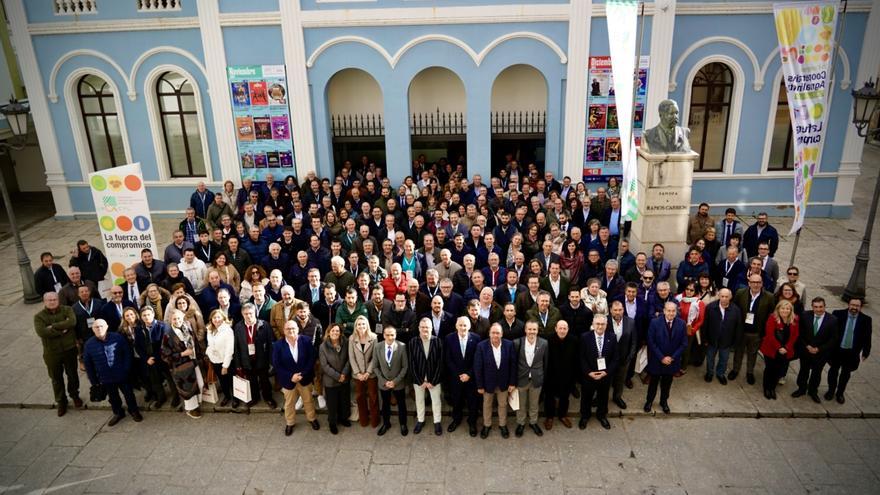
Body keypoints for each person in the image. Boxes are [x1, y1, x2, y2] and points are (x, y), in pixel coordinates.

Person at [83, 319, 143, 426]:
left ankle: (134, 411)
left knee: (129, 394)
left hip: (121, 374)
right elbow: (88, 365)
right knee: (113, 397)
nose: (99, 329)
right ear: (93, 329)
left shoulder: (117, 338)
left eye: (101, 326)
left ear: (107, 327)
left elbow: (127, 354)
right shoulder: (89, 344)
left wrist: (126, 369)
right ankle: (118, 413)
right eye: (96, 327)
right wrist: (94, 381)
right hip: (105, 377)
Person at [34, 292, 82, 417]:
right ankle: (61, 401)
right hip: (52, 353)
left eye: (54, 299)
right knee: (56, 378)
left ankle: (74, 395)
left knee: (72, 374)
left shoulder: (67, 309)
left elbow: (72, 322)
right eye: (49, 300)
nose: (52, 301)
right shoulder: (39, 317)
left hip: (69, 349)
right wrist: (62, 330)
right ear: (44, 302)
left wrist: (53, 326)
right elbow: (43, 332)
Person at [272, 320, 320, 436]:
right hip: (288, 381)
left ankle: (312, 418)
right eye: (288, 329)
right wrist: (290, 376)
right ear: (284, 331)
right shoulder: (278, 345)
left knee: (308, 400)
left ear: (297, 329)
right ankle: (290, 422)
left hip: (305, 378)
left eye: (293, 328)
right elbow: (276, 364)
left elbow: (311, 359)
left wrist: (302, 374)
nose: (291, 331)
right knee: (289, 403)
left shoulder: (306, 341)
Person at [731, 274, 775, 385]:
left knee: (753, 353)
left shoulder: (769, 297)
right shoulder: (740, 293)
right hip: (742, 331)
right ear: (749, 283)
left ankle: (750, 372)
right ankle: (735, 369)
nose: (756, 284)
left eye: (758, 282)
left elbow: (771, 315)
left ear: (762, 284)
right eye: (753, 282)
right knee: (738, 352)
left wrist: (764, 333)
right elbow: (734, 310)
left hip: (756, 332)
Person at [161, 308, 206, 419]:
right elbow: (165, 356)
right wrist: (182, 354)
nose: (177, 321)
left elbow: (194, 342)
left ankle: (196, 403)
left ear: (183, 318)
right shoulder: (167, 335)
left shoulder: (187, 327)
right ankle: (191, 409)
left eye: (179, 318)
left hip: (193, 362)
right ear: (171, 320)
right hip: (181, 367)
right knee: (187, 389)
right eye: (174, 319)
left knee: (199, 384)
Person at [474, 323, 517, 439]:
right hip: (487, 384)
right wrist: (480, 385)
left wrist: (512, 383)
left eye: (498, 333)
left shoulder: (509, 345)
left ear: (502, 334)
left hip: (504, 383)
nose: (495, 335)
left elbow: (513, 365)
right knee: (487, 405)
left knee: (503, 405)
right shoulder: (481, 346)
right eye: (493, 332)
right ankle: (487, 425)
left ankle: (502, 425)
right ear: (489, 334)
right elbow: (478, 367)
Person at [826, 298, 872, 404]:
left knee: (845, 374)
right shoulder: (838, 314)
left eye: (857, 306)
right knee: (833, 371)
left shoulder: (866, 319)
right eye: (852, 305)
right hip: (837, 350)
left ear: (861, 307)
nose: (854, 308)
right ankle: (831, 391)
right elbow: (830, 332)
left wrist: (866, 352)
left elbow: (867, 337)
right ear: (848, 304)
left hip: (852, 352)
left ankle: (840, 393)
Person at [644, 302, 687, 414]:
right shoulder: (655, 322)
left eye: (673, 311)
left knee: (667, 384)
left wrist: (672, 358)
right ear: (664, 311)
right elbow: (651, 341)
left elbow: (683, 344)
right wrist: (662, 357)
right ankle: (649, 401)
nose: (671, 313)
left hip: (672, 362)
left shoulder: (682, 324)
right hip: (657, 360)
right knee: (653, 383)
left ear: (676, 311)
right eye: (668, 310)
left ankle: (663, 402)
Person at [793, 297, 838, 403]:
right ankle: (801, 389)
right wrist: (807, 346)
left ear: (825, 306)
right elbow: (800, 333)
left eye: (821, 307)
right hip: (806, 351)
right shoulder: (805, 316)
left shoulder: (832, 320)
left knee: (816, 373)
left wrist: (819, 349)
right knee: (803, 371)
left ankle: (813, 392)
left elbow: (833, 339)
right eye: (816, 307)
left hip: (821, 354)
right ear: (812, 307)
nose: (818, 310)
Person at [233, 303, 277, 409]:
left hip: (262, 358)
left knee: (264, 381)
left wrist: (272, 361)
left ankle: (268, 398)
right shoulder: (238, 327)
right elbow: (236, 347)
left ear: (255, 313)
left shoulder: (264, 325)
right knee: (252, 381)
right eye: (246, 314)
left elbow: (271, 344)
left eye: (251, 313)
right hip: (246, 359)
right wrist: (238, 363)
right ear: (242, 314)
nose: (248, 316)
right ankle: (255, 398)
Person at [444, 316, 481, 436]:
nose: (463, 327)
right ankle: (456, 419)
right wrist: (459, 374)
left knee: (472, 402)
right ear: (456, 326)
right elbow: (448, 359)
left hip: (471, 378)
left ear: (469, 326)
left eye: (465, 325)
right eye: (460, 325)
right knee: (456, 400)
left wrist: (469, 374)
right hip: (456, 377)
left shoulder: (476, 338)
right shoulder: (449, 338)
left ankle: (472, 422)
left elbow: (477, 360)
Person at [580, 314, 617, 429]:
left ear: (606, 325)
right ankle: (585, 416)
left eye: (602, 324)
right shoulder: (585, 337)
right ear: (593, 324)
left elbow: (615, 358)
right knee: (586, 396)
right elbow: (581, 357)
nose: (600, 326)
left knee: (603, 396)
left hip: (604, 375)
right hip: (589, 375)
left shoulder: (612, 337)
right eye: (598, 324)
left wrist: (606, 372)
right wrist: (588, 372)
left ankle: (601, 416)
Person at [408, 318, 444, 435]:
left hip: (434, 378)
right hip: (419, 379)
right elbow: (411, 363)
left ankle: (437, 421)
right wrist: (419, 381)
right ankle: (420, 420)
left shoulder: (438, 341)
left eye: (427, 327)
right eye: (422, 327)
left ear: (431, 328)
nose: (425, 329)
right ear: (419, 328)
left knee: (436, 401)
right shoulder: (413, 342)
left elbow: (440, 363)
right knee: (419, 400)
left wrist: (433, 380)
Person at [513, 320, 548, 437]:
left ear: (537, 330)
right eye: (529, 329)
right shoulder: (517, 343)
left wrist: (543, 377)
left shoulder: (544, 343)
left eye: (534, 329)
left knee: (534, 404)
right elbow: (514, 363)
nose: (532, 332)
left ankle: (533, 422)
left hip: (536, 379)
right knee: (521, 404)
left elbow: (545, 362)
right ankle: (521, 423)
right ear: (525, 330)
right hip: (521, 379)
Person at [701, 288, 742, 385]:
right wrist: (705, 338)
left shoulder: (736, 310)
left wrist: (735, 342)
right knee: (710, 358)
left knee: (724, 359)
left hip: (726, 341)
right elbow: (705, 324)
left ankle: (720, 374)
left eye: (726, 297)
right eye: (722, 296)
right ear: (718, 296)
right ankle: (709, 373)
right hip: (712, 339)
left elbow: (738, 327)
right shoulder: (710, 307)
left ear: (730, 297)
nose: (724, 299)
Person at [760, 300, 799, 400]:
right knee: (769, 369)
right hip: (771, 349)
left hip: (785, 351)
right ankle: (767, 388)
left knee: (778, 370)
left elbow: (795, 335)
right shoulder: (772, 318)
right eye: (783, 308)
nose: (785, 311)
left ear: (791, 310)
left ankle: (772, 388)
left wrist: (786, 347)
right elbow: (770, 335)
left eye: (787, 308)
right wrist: (779, 348)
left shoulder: (795, 319)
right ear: (778, 309)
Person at [374, 326, 409, 436]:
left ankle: (403, 424)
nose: (390, 337)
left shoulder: (402, 346)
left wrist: (395, 381)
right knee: (385, 404)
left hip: (398, 383)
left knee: (401, 404)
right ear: (384, 335)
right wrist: (384, 381)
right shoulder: (377, 347)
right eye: (387, 335)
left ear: (395, 335)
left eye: (392, 335)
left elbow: (405, 367)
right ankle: (386, 423)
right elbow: (375, 367)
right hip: (383, 383)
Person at [319, 324, 352, 434]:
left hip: (344, 378)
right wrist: (338, 376)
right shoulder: (323, 346)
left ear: (340, 333)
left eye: (337, 331)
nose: (335, 333)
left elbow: (349, 359)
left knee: (344, 400)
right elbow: (324, 366)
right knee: (332, 403)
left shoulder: (346, 343)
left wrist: (344, 374)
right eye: (333, 331)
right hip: (330, 380)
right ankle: (332, 423)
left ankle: (344, 419)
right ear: (328, 332)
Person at [349, 315, 380, 428]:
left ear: (367, 325)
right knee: (360, 397)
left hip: (370, 374)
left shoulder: (374, 337)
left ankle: (375, 420)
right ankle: (363, 419)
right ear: (356, 326)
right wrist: (358, 373)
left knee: (373, 396)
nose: (361, 326)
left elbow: (375, 357)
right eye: (358, 324)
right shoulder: (352, 338)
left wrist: (368, 372)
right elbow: (351, 357)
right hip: (358, 375)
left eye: (363, 324)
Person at [608, 301, 637, 410]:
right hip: (607, 359)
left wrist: (630, 357)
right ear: (610, 310)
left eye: (620, 310)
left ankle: (617, 397)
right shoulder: (605, 321)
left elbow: (634, 342)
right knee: (605, 380)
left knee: (620, 380)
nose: (617, 312)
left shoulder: (630, 322)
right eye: (615, 310)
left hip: (624, 359)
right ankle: (601, 398)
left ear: (623, 310)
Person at [205, 309, 235, 407]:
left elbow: (229, 349)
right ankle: (227, 396)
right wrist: (209, 354)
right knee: (222, 381)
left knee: (230, 380)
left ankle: (235, 398)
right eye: (214, 317)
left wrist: (225, 366)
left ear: (223, 318)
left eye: (218, 317)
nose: (216, 320)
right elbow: (209, 344)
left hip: (226, 361)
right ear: (211, 319)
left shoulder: (228, 330)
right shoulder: (209, 329)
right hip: (215, 361)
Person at [675, 281, 706, 376]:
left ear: (695, 291)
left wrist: (693, 329)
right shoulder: (678, 298)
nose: (688, 291)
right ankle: (674, 365)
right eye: (687, 289)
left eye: (691, 290)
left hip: (689, 330)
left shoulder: (699, 303)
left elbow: (701, 320)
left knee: (685, 350)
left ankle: (683, 368)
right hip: (677, 328)